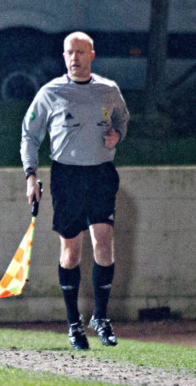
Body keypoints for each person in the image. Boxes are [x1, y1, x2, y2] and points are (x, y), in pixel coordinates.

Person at [20, 31, 129, 350]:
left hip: (101, 174)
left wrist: (117, 136)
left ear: (92, 55)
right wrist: (30, 176)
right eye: (70, 52)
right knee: (71, 252)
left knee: (104, 242)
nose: (75, 57)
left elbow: (123, 120)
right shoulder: (50, 92)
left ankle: (101, 317)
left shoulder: (108, 90)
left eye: (81, 52)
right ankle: (73, 324)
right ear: (64, 55)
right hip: (67, 176)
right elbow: (29, 135)